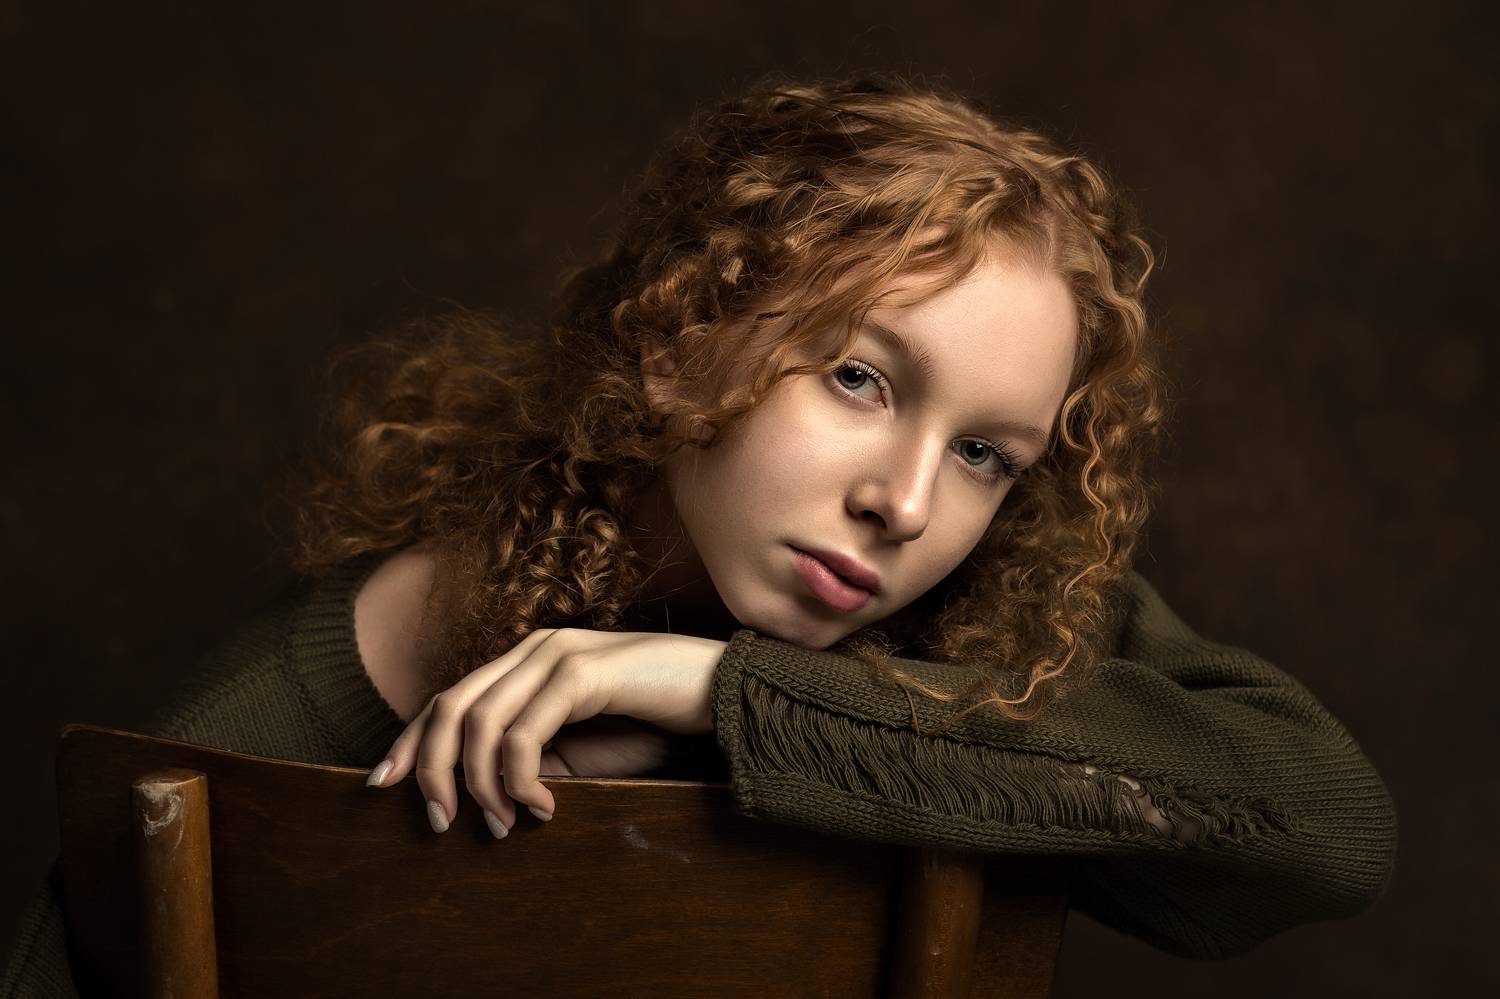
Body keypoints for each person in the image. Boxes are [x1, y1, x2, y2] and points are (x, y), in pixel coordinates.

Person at [1, 73, 1397, 995]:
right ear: (678, 341)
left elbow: (1322, 826)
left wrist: (726, 695)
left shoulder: (999, 619)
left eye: (985, 454)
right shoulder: (317, 684)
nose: (909, 505)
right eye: (859, 378)